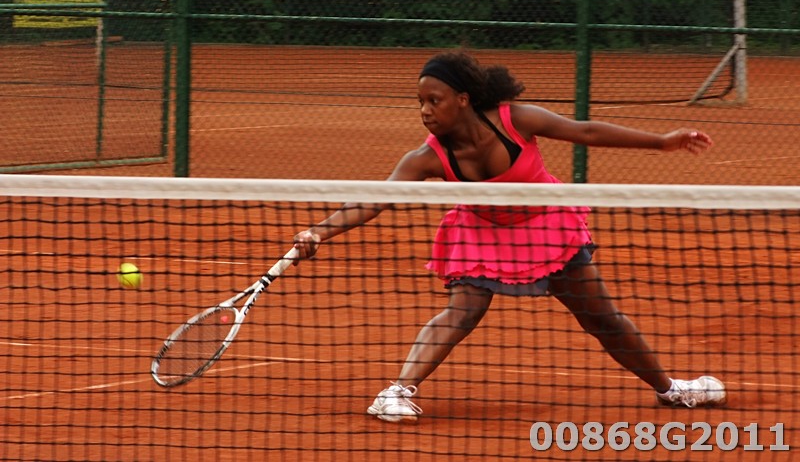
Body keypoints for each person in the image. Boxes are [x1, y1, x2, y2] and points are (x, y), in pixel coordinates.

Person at [293, 50, 726, 423]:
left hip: (547, 228)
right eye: (420, 102)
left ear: (463, 99)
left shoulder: (515, 119)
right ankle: (397, 391)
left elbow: (585, 131)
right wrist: (318, 232)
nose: (425, 110)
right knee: (462, 311)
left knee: (602, 318)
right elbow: (376, 199)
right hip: (482, 234)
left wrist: (662, 142)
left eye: (434, 100)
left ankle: (671, 389)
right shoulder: (428, 156)